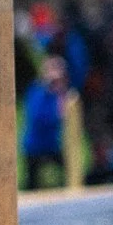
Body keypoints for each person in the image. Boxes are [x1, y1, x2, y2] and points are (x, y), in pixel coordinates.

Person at [21, 57, 69, 191]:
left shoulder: (61, 94)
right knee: (32, 182)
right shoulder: (37, 91)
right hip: (35, 145)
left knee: (68, 175)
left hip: (53, 144)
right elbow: (36, 116)